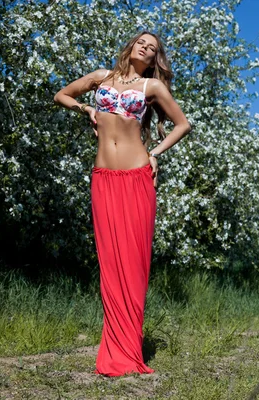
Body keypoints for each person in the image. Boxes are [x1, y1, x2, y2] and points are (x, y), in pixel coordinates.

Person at [53, 31, 191, 376]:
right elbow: (62, 94)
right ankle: (114, 346)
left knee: (132, 263)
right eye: (142, 42)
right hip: (103, 179)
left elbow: (182, 124)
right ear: (131, 47)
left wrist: (155, 153)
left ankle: (128, 351)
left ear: (155, 58)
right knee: (109, 264)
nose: (145, 48)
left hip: (135, 177)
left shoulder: (152, 89)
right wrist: (85, 107)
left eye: (153, 48)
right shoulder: (101, 78)